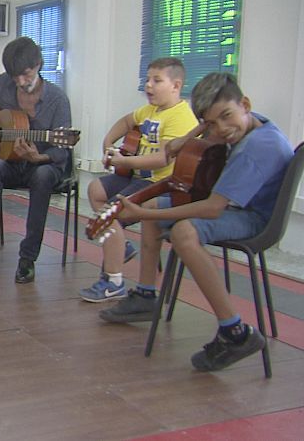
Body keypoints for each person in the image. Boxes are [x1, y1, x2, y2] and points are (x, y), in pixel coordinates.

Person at [101, 72, 293, 372]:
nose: (222, 129)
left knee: (184, 232)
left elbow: (213, 208)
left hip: (254, 219)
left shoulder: (257, 149)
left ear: (244, 104)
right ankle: (147, 294)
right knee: (154, 202)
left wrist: (144, 216)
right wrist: (192, 135)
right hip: (237, 207)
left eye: (226, 117)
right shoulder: (251, 120)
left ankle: (235, 331)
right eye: (212, 123)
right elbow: (210, 126)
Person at [79, 58, 198, 303]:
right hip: (136, 177)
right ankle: (121, 246)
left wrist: (125, 162)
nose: (149, 86)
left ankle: (113, 282)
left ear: (176, 86)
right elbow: (126, 122)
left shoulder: (181, 117)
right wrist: (108, 144)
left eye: (157, 81)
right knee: (95, 190)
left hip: (161, 185)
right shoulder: (150, 111)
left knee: (110, 213)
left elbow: (162, 159)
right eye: (147, 80)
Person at [0, 37, 71, 283]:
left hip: (44, 165)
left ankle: (28, 258)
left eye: (25, 75)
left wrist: (39, 156)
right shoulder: (4, 84)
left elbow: (62, 151)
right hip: (12, 162)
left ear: (38, 65)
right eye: (15, 77)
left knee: (43, 175)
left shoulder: (58, 100)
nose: (21, 82)